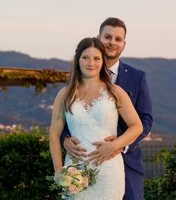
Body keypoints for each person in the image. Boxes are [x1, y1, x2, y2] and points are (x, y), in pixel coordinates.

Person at [63, 18, 153, 200]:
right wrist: (64, 138)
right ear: (98, 38)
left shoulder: (137, 77)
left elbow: (145, 120)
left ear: (124, 44)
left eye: (118, 39)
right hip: (81, 163)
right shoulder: (77, 79)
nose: (112, 42)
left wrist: (119, 145)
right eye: (108, 37)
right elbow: (68, 117)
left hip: (126, 163)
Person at [49, 37, 143, 199]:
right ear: (77, 60)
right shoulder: (64, 95)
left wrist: (115, 145)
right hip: (75, 170)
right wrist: (59, 171)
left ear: (103, 61)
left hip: (109, 170)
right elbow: (54, 135)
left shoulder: (115, 92)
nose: (90, 63)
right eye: (85, 57)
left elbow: (137, 126)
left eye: (96, 58)